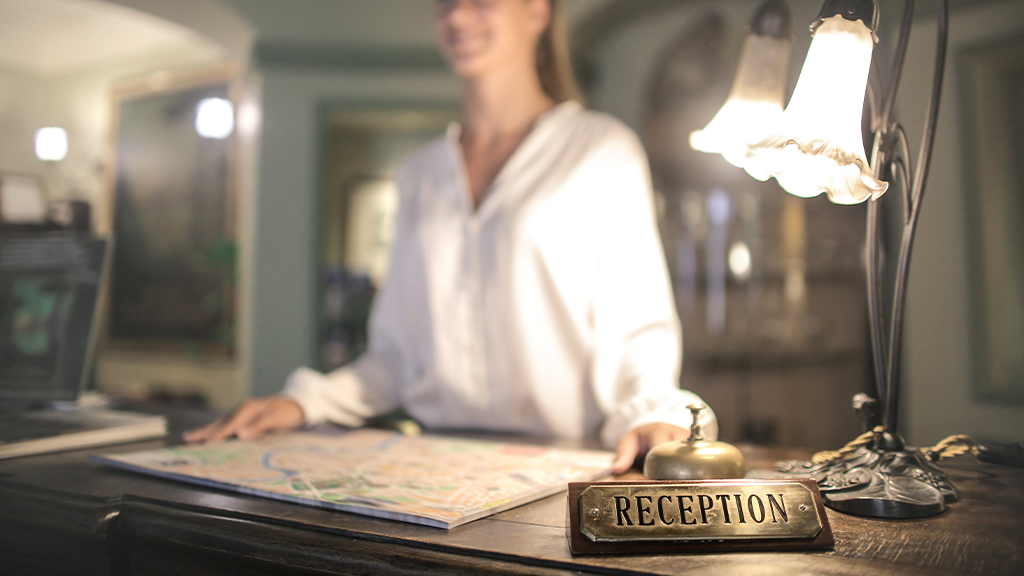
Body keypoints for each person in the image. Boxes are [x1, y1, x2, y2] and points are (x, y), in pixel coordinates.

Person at [185, 0, 717, 475]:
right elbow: (393, 354)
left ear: (537, 10)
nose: (457, 15)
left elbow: (636, 325)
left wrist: (652, 414)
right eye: (445, 1)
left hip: (565, 465)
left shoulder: (601, 148)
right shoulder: (419, 173)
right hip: (432, 467)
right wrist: (307, 402)